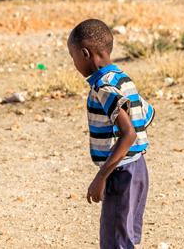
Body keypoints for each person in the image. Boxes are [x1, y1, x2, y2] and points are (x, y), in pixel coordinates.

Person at [68, 19, 155, 249]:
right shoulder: (122, 79)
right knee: (125, 238)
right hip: (138, 169)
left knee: (115, 243)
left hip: (121, 172)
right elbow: (146, 115)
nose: (74, 63)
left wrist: (101, 177)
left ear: (85, 54)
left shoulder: (103, 87)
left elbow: (129, 134)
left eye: (73, 56)